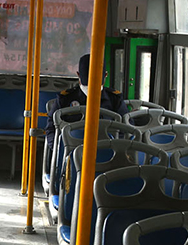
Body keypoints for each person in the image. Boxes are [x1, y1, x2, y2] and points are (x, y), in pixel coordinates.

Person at [42, 53, 129, 186]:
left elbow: (126, 129)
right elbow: (51, 130)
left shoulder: (114, 99)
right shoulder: (66, 99)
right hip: (71, 161)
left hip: (108, 159)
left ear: (78, 75)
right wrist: (62, 152)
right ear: (105, 75)